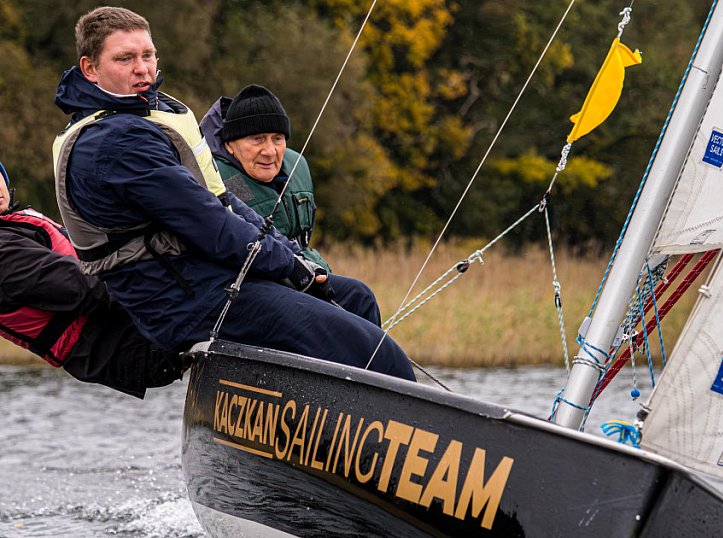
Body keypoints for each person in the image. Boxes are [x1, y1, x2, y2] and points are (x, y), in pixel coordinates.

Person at [52, 6, 415, 381]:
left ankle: (324, 411)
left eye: (148, 55)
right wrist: (289, 267)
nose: (142, 69)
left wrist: (293, 257)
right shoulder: (114, 142)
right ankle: (404, 415)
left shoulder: (147, 118)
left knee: (355, 298)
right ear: (90, 68)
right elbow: (209, 223)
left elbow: (223, 199)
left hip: (210, 279)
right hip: (184, 302)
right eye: (125, 58)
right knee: (373, 349)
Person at [200, 85, 382, 326]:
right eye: (257, 139)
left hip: (302, 277)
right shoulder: (216, 180)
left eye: (277, 138)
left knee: (360, 298)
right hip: (250, 291)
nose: (270, 151)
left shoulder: (298, 166)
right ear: (229, 145)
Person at [0, 161, 184, 398]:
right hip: (127, 344)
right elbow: (83, 288)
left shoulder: (15, 227)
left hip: (139, 327)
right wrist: (165, 284)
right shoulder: (4, 253)